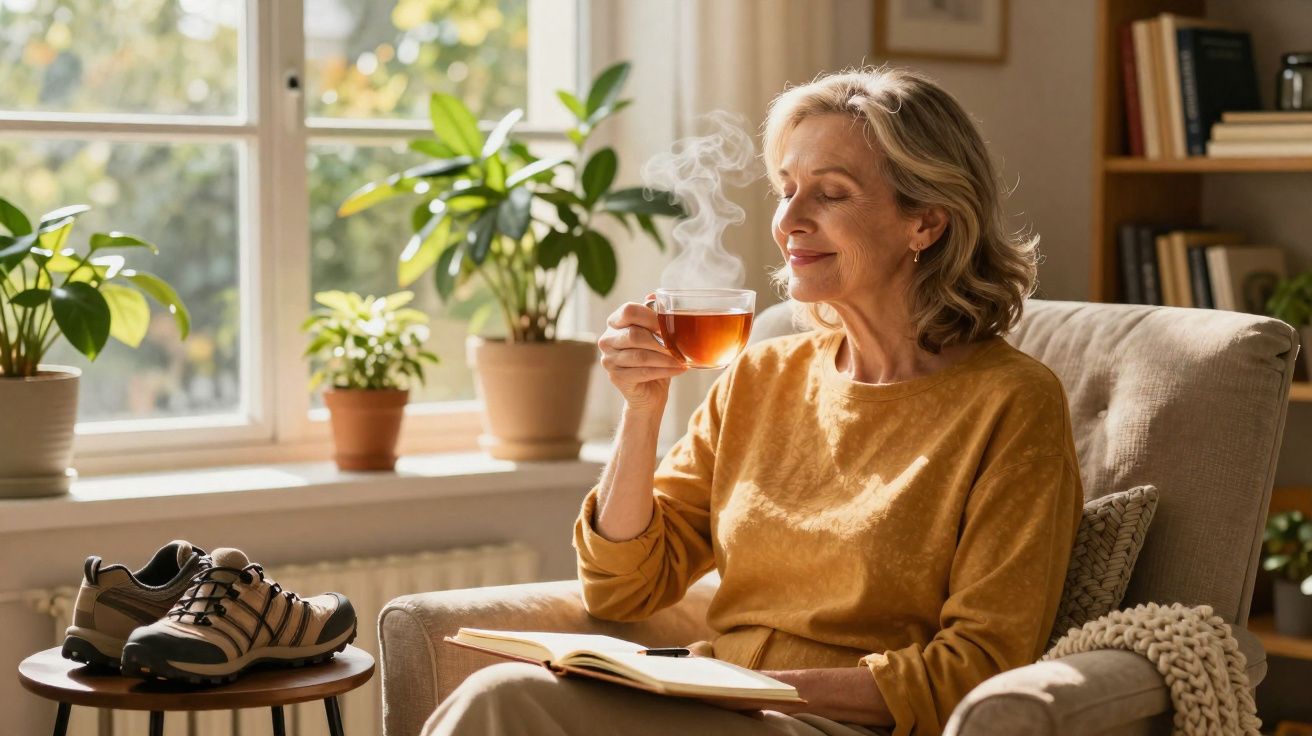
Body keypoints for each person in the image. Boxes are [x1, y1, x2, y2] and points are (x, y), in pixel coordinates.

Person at [423, 66, 1083, 736]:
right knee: (500, 693)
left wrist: (748, 689)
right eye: (786, 190)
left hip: (829, 724)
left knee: (506, 702)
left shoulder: (1011, 404)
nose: (789, 221)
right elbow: (622, 587)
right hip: (723, 706)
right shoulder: (760, 375)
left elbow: (979, 670)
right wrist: (642, 409)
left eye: (830, 194)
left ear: (926, 223)